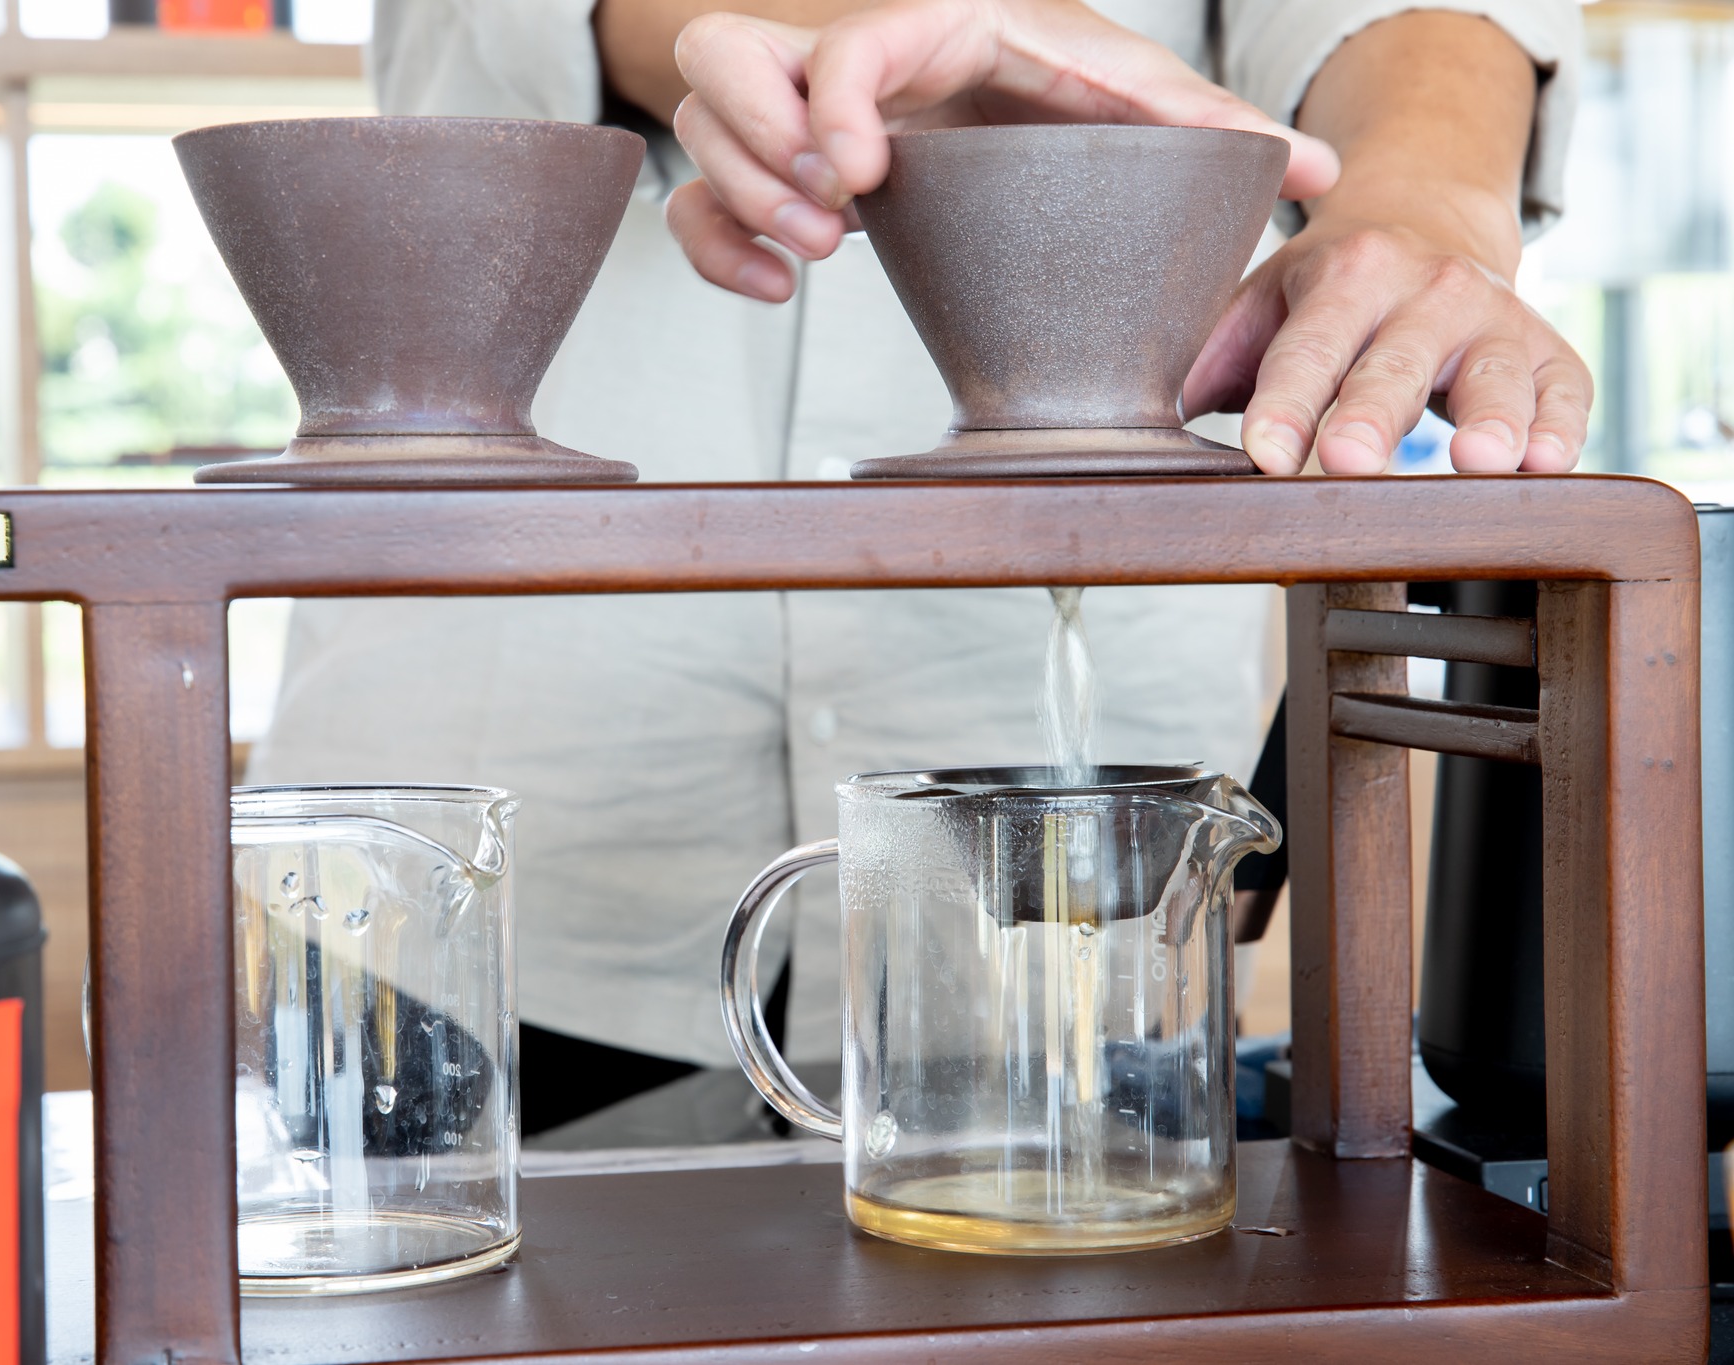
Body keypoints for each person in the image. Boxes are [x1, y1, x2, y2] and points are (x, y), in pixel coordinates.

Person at [249, 0, 1584, 1133]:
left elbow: (1421, 33)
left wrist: (1409, 214)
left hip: (1068, 912)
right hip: (464, 882)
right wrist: (798, 55)